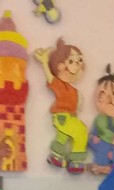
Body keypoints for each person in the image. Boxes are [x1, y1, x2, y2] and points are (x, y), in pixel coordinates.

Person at [34, 38, 88, 173]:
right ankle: (76, 162)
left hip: (69, 117)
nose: (77, 64)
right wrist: (44, 63)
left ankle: (56, 157)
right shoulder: (60, 85)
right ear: (60, 65)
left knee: (63, 136)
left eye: (79, 60)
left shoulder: (73, 90)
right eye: (71, 61)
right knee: (81, 132)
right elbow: (50, 79)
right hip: (62, 117)